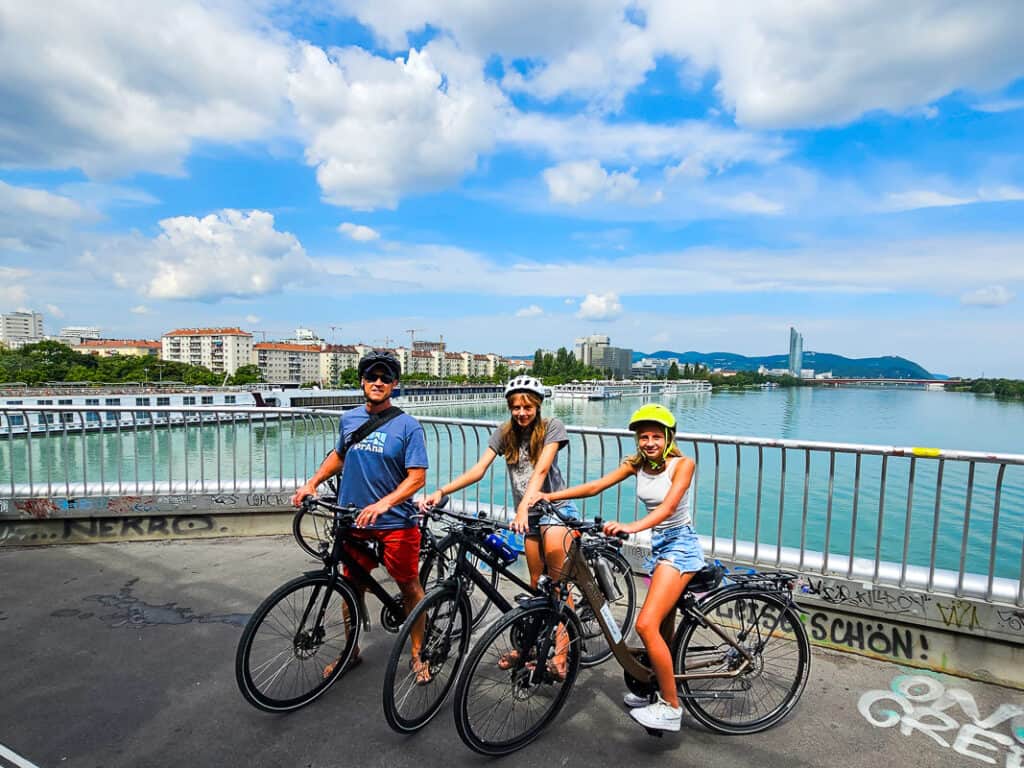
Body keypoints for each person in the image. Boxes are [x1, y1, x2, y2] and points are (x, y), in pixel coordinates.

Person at [531, 403, 702, 732]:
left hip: (681, 548)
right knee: (662, 631)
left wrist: (632, 526)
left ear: (668, 438)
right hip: (660, 548)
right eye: (643, 437)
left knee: (646, 626)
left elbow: (668, 508)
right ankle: (655, 688)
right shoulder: (637, 465)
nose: (648, 442)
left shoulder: (683, 464)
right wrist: (549, 496)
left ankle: (670, 707)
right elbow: (595, 486)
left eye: (655, 436)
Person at [419, 374, 577, 678]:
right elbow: (478, 470)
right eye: (516, 407)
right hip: (528, 517)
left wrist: (522, 508)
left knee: (557, 584)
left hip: (554, 510)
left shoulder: (552, 427)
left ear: (538, 406)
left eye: (527, 406)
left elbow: (542, 469)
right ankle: (532, 646)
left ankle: (561, 655)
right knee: (536, 585)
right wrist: (442, 491)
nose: (521, 412)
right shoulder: (504, 433)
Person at [291, 350, 430, 682]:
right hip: (353, 520)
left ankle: (418, 653)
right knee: (351, 586)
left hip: (395, 521)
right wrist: (312, 482)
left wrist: (384, 503)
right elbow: (339, 455)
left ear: (395, 384)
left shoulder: (408, 426)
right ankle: (350, 651)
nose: (378, 382)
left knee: (409, 586)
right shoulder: (349, 419)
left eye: (385, 378)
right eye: (371, 377)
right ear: (362, 382)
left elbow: (417, 477)